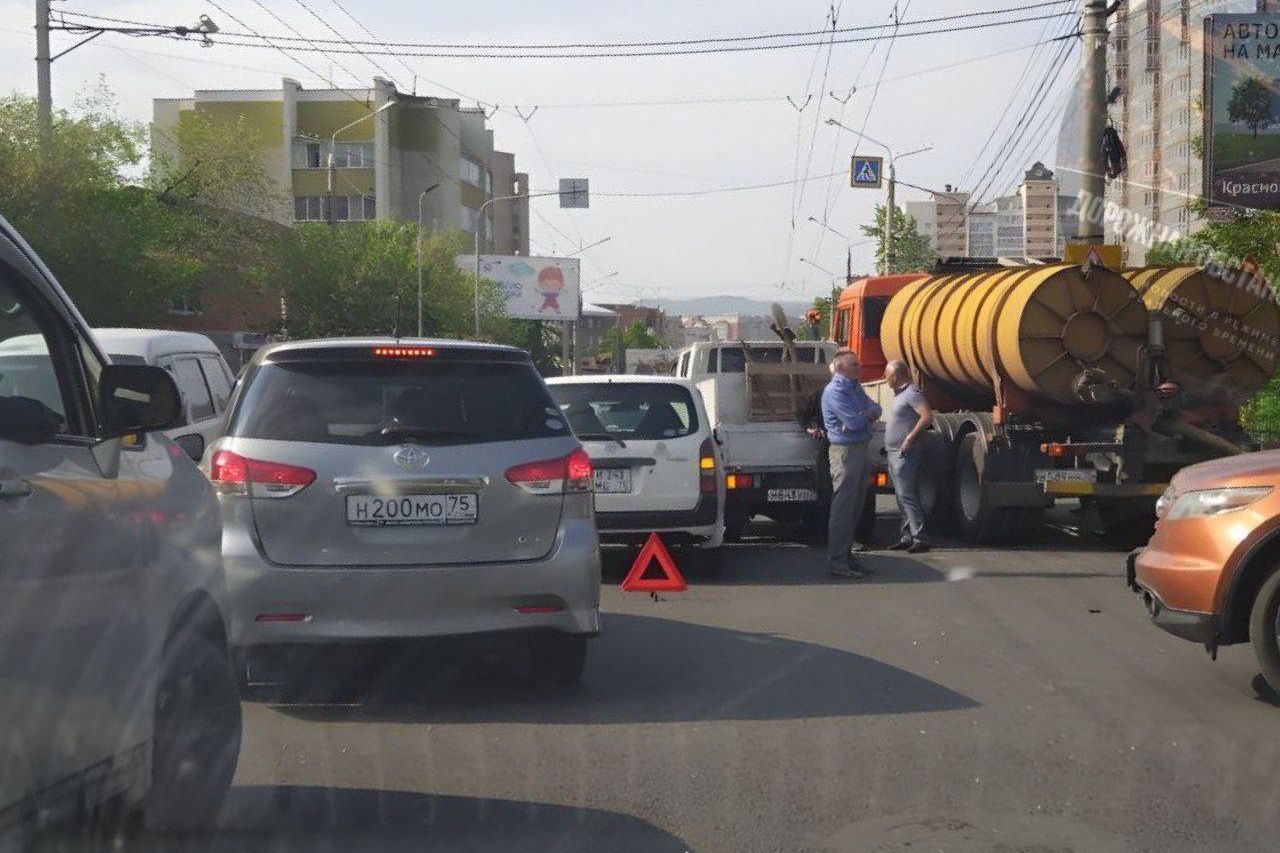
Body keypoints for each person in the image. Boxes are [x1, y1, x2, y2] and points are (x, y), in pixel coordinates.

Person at [821, 351, 881, 577]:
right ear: (840, 368)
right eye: (854, 365)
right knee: (843, 510)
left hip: (860, 449)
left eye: (858, 364)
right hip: (845, 452)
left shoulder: (855, 387)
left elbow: (877, 408)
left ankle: (847, 556)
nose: (859, 367)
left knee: (855, 508)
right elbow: (855, 422)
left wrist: (864, 414)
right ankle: (837, 561)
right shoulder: (836, 391)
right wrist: (865, 415)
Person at [883, 359, 933, 554]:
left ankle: (920, 537)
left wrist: (909, 439)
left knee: (907, 494)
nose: (885, 379)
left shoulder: (912, 393)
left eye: (887, 375)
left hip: (905, 453)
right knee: (899, 496)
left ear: (896, 375)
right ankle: (906, 536)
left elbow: (927, 416)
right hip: (893, 452)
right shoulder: (899, 395)